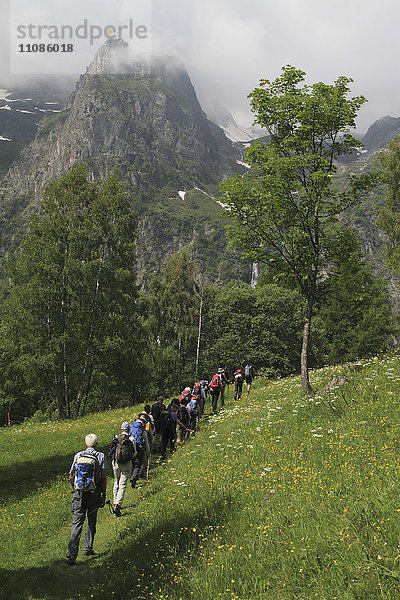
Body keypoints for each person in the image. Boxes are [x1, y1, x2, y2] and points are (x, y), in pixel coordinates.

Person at [66, 433, 107, 565]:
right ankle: (87, 548)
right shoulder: (100, 456)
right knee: (91, 520)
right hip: (94, 492)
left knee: (77, 522)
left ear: (85, 444)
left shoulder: (78, 455)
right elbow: (103, 477)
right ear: (96, 444)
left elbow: (71, 474)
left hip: (79, 493)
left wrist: (75, 488)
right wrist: (103, 494)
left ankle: (72, 554)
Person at [109, 421, 136, 517]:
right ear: (129, 429)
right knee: (123, 483)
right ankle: (117, 504)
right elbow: (134, 453)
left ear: (121, 429)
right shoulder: (131, 439)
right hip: (126, 463)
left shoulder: (115, 438)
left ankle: (114, 500)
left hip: (116, 462)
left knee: (116, 481)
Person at [130, 416, 150, 488]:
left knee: (133, 462)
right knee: (138, 464)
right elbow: (146, 442)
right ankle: (134, 478)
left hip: (133, 447)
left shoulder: (132, 428)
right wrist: (148, 452)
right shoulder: (142, 431)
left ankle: (132, 476)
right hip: (140, 448)